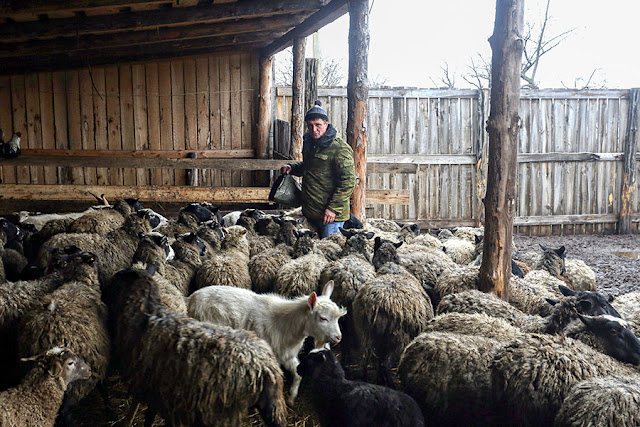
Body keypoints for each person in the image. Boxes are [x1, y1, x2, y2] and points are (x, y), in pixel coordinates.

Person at [281, 101, 356, 238]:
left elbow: (348, 181)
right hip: (312, 212)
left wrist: (333, 208)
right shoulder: (310, 143)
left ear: (326, 124)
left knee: (329, 252)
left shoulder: (340, 149)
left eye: (318, 125)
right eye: (310, 125)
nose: (314, 129)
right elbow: (309, 166)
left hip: (331, 217)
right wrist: (292, 168)